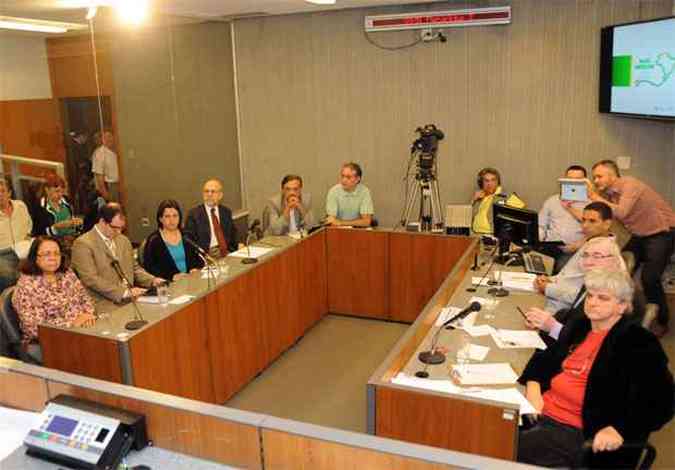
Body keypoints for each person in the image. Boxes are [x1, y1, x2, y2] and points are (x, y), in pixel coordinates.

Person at [517, 269, 673, 469]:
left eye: (603, 298)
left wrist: (620, 430)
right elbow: (542, 359)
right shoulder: (582, 326)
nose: (592, 302)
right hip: (539, 414)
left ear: (622, 306)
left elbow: (663, 403)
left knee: (496, 448)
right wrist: (534, 390)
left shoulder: (638, 342)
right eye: (590, 295)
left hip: (577, 430)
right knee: (486, 424)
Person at [589, 159, 675, 336]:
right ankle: (625, 316)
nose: (596, 181)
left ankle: (661, 321)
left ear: (612, 175)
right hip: (640, 234)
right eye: (594, 177)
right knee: (618, 270)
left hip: (662, 232)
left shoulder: (630, 185)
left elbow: (621, 212)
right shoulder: (610, 194)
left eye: (599, 176)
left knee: (650, 277)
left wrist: (595, 197)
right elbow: (603, 217)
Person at [526, 237, 627, 341]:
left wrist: (552, 327)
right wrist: (544, 320)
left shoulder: (613, 293)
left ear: (614, 259)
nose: (588, 262)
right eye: (585, 255)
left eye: (597, 256)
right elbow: (574, 318)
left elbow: (587, 341)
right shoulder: (595, 281)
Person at [71, 203, 162, 304]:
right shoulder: (83, 244)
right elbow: (90, 279)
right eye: (114, 228)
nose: (118, 232)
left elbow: (134, 269)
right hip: (103, 303)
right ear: (102, 222)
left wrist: (153, 280)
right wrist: (123, 292)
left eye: (121, 228)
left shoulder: (124, 240)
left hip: (131, 299)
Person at [12, 236, 95, 345]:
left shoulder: (67, 273)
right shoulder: (26, 285)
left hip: (82, 330)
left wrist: (87, 315)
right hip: (50, 341)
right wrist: (72, 323)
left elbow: (85, 299)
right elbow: (34, 328)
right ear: (35, 258)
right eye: (47, 254)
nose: (53, 258)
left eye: (57, 253)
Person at [534, 202, 615, 313]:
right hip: (556, 297)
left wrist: (548, 288)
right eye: (583, 220)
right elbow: (569, 276)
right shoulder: (593, 241)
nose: (585, 225)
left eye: (592, 221)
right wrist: (550, 280)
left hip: (562, 309)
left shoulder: (602, 253)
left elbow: (583, 298)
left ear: (607, 224)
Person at [538, 165, 588, 273]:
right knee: (533, 262)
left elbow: (595, 233)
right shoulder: (552, 200)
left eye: (578, 181)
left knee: (561, 268)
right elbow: (541, 225)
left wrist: (578, 245)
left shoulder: (591, 204)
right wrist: (538, 241)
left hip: (574, 249)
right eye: (570, 180)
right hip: (551, 245)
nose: (573, 184)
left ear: (585, 183)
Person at [143, 200, 204, 281]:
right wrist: (171, 277)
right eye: (167, 216)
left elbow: (198, 258)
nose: (172, 220)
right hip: (168, 284)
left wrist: (195, 269)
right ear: (160, 219)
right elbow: (150, 269)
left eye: (175, 216)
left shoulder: (187, 235)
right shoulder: (153, 240)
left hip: (191, 280)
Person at [184, 179, 237, 258]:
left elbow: (233, 235)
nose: (209, 194)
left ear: (220, 195)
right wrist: (205, 254)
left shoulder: (226, 212)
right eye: (206, 191)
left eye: (213, 192)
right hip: (206, 256)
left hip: (227, 253)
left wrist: (236, 246)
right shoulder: (194, 215)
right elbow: (189, 241)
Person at [32, 173, 83, 250]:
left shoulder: (66, 201)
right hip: (54, 242)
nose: (60, 195)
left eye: (62, 192)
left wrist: (77, 223)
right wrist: (56, 227)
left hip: (72, 237)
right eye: (57, 191)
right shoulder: (39, 208)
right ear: (47, 190)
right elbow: (39, 233)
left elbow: (73, 221)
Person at [0, 178, 33, 292]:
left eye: (2, 191)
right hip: (3, 253)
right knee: (9, 276)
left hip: (24, 247)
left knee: (42, 268)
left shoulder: (20, 206)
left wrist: (27, 239)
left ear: (9, 193)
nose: (0, 195)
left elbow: (29, 225)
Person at [325, 162, 374, 227]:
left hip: (358, 230)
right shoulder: (333, 191)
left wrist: (341, 222)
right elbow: (332, 221)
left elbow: (366, 222)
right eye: (342, 176)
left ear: (357, 179)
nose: (344, 180)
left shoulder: (364, 192)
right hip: (338, 230)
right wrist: (339, 223)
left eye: (348, 177)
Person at [471, 167, 505, 235]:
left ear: (498, 182)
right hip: (474, 234)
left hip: (491, 235)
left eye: (493, 180)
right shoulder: (478, 198)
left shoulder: (503, 198)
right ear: (481, 183)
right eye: (486, 181)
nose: (490, 184)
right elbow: (466, 218)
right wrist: (473, 200)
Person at [91, 129, 120, 202]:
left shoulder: (119, 150)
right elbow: (99, 178)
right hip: (110, 187)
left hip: (121, 186)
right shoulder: (99, 153)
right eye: (105, 137)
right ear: (102, 139)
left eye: (109, 136)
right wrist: (106, 196)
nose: (108, 139)